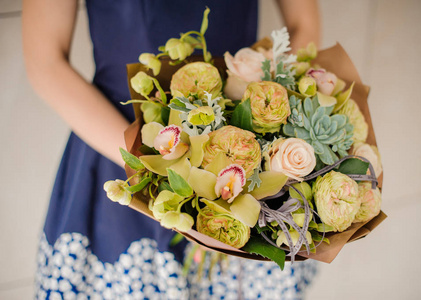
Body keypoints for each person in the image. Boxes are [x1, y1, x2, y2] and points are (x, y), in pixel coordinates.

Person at [23, 0, 321, 299]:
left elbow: (302, 25)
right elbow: (45, 62)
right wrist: (149, 165)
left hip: (242, 151)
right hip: (119, 145)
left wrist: (266, 110)